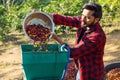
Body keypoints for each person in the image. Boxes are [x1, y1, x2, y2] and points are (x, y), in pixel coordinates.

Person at [51, 2, 106, 80]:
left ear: (96, 19)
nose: (82, 19)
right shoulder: (84, 21)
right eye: (82, 15)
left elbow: (73, 53)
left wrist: (57, 38)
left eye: (88, 17)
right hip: (81, 66)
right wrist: (47, 16)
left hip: (90, 73)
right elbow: (67, 20)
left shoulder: (97, 36)